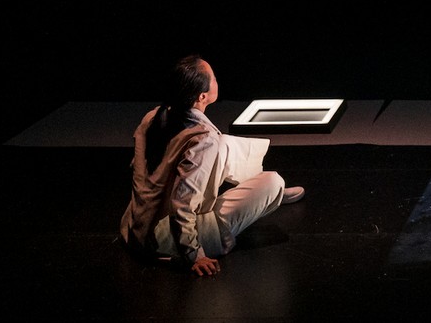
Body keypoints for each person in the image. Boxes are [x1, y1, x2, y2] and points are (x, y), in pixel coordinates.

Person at [118, 54, 305, 276]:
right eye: (214, 78)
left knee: (223, 143)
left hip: (136, 229)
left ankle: (264, 192)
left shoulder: (153, 116)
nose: (217, 80)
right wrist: (193, 254)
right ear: (202, 96)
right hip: (164, 240)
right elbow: (182, 204)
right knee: (273, 181)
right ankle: (271, 194)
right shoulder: (203, 140)